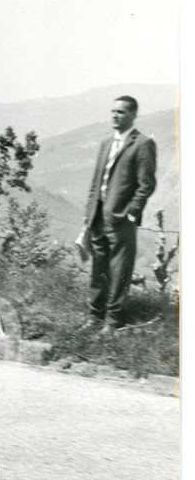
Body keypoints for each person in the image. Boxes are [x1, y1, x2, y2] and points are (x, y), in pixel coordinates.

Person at [83, 95, 157, 333]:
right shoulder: (106, 143)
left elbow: (146, 184)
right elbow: (96, 181)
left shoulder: (142, 144)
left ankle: (114, 320)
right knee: (98, 268)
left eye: (122, 112)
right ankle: (95, 315)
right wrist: (89, 212)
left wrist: (131, 213)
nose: (115, 115)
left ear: (133, 115)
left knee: (120, 270)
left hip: (121, 219)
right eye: (113, 111)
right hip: (98, 216)